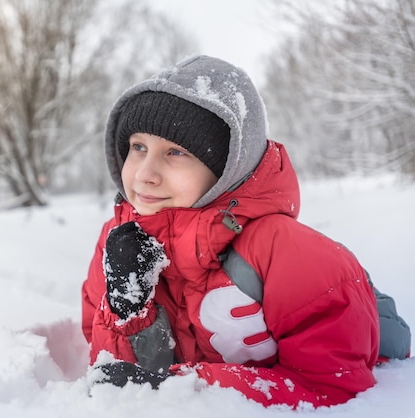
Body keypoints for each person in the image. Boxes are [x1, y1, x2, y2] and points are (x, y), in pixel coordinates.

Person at [81, 55, 395, 408]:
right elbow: (112, 381)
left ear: (227, 167)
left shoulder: (287, 253)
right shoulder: (118, 240)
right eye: (138, 147)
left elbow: (334, 389)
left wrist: (187, 386)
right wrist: (126, 312)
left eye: (175, 152)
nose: (144, 174)